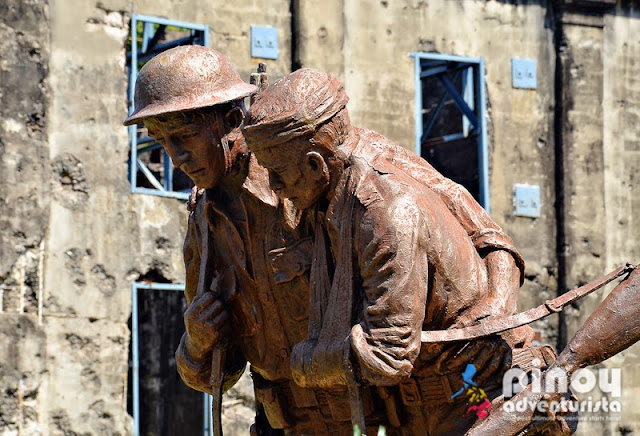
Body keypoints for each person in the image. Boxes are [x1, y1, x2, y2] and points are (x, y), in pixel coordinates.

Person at [125, 47, 537, 434]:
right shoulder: (204, 221)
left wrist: (497, 308)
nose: (174, 157)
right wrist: (196, 345)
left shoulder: (331, 160)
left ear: (231, 121)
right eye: (161, 142)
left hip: (376, 413)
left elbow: (485, 235)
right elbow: (223, 368)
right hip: (285, 423)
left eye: (182, 137)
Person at [242, 68, 557, 435]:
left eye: (278, 173)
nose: (276, 189)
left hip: (475, 391)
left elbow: (487, 236)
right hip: (409, 407)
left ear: (314, 161)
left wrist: (496, 306)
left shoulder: (382, 195)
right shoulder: (325, 191)